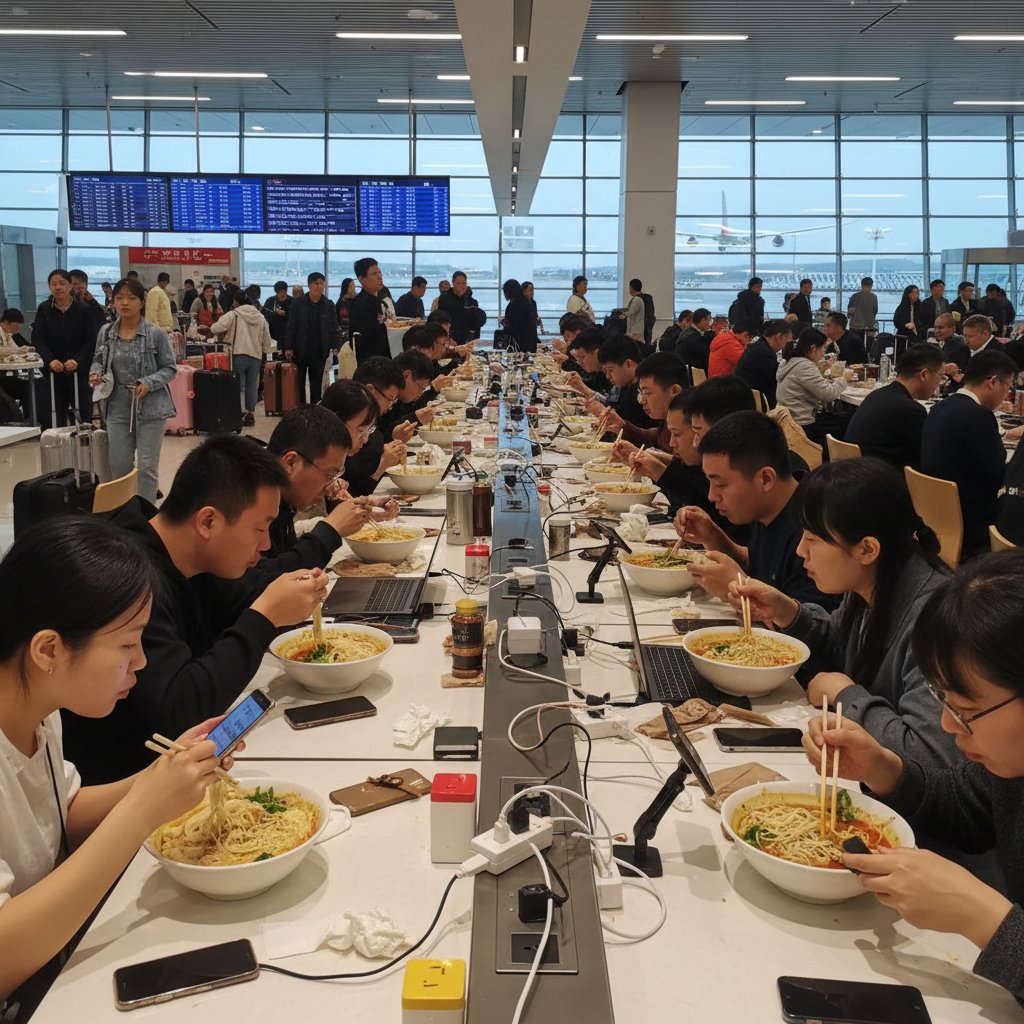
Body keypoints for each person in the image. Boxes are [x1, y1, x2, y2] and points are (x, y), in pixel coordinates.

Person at [0, 518, 236, 1017]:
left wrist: (162, 777)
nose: (143, 662)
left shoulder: (38, 708)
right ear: (49, 649)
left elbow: (57, 812)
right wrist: (141, 812)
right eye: (128, 644)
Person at [801, 551, 1024, 1009]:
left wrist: (984, 917)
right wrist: (883, 768)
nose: (946, 725)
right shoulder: (1010, 766)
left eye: (965, 709)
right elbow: (970, 804)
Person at [61, 436, 329, 784]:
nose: (265, 545)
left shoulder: (187, 554)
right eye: (260, 529)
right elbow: (177, 711)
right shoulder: (125, 575)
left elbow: (242, 598)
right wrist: (266, 615)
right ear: (207, 522)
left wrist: (290, 596)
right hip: (109, 787)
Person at [734, 457, 952, 766]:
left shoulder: (938, 624)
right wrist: (789, 613)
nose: (801, 551)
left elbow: (927, 752)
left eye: (811, 539)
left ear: (866, 549)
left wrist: (845, 696)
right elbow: (838, 641)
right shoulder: (872, 582)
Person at [674, 411, 834, 610]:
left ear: (766, 479)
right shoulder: (768, 507)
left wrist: (738, 587)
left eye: (720, 484)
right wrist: (713, 536)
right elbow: (758, 565)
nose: (711, 496)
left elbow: (807, 628)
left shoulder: (816, 528)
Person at [921, 349, 1018, 558]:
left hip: (937, 515)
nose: (1005, 395)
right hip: (970, 520)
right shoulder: (978, 416)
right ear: (993, 382)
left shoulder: (940, 407)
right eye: (1008, 387)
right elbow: (1000, 475)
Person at [88, 279, 176, 504]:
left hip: (151, 408)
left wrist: (149, 381)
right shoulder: (106, 332)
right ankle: (123, 511)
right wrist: (96, 373)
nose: (125, 303)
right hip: (116, 406)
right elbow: (98, 360)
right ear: (113, 301)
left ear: (142, 302)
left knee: (147, 466)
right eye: (119, 298)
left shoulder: (155, 334)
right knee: (119, 464)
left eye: (132, 298)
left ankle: (145, 514)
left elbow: (170, 368)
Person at [262, 405, 372, 562]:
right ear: (291, 463)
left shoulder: (283, 499)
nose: (329, 488)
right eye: (329, 475)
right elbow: (263, 579)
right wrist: (331, 529)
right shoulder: (248, 497)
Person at [845, 344, 944, 470]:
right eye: (941, 376)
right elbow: (927, 457)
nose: (940, 383)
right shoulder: (910, 410)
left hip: (853, 473)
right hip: (875, 481)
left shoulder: (877, 394)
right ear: (924, 374)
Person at [33, 270, 97, 428]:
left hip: (79, 372)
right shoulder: (44, 309)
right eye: (53, 284)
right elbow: (38, 339)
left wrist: (77, 360)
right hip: (53, 371)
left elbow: (92, 340)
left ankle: (84, 446)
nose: (58, 287)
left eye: (62, 283)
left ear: (70, 286)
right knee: (54, 415)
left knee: (83, 414)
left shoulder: (83, 309)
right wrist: (50, 360)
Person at [342, 358, 409, 497]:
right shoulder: (346, 421)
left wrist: (392, 440)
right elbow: (354, 490)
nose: (390, 406)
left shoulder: (370, 418)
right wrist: (382, 464)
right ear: (370, 390)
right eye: (390, 399)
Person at [776, 328, 855, 444]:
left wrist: (821, 372)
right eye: (823, 348)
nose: (824, 353)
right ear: (813, 348)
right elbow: (828, 394)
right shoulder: (805, 365)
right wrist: (844, 378)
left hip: (788, 422)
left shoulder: (789, 361)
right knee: (851, 421)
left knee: (845, 418)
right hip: (802, 425)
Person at [209, 289, 271, 428]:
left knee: (240, 385)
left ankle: (241, 413)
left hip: (238, 353)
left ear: (236, 301)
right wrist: (266, 351)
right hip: (256, 355)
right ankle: (251, 413)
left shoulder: (234, 314)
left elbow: (217, 327)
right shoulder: (260, 316)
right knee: (252, 386)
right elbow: (267, 337)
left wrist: (210, 327)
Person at [579, 336, 657, 429]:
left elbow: (637, 429)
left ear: (628, 364)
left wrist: (603, 410)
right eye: (605, 371)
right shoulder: (625, 385)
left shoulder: (645, 388)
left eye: (610, 370)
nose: (608, 376)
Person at [285, 271, 340, 404]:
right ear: (309, 285)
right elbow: (292, 326)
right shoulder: (298, 303)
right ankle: (301, 409)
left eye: (322, 283)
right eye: (316, 283)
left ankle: (315, 408)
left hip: (320, 350)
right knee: (299, 384)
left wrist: (335, 345)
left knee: (316, 384)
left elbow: (334, 327)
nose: (319, 286)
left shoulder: (328, 304)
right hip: (301, 349)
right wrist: (288, 346)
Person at [379, 349, 440, 437]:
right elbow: (380, 436)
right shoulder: (383, 394)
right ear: (407, 375)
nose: (420, 394)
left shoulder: (401, 397)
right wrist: (415, 419)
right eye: (420, 387)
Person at [735, 319, 791, 408]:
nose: (786, 345)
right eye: (787, 340)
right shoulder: (765, 353)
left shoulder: (759, 347)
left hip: (742, 396)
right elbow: (775, 381)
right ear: (778, 336)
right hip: (751, 402)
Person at [347, 258, 389, 364]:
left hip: (382, 359)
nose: (380, 277)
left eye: (380, 272)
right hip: (372, 363)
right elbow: (362, 339)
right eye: (374, 274)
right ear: (362, 279)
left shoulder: (378, 301)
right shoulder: (360, 304)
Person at [438, 271, 485, 345]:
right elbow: (441, 320)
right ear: (453, 284)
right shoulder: (445, 298)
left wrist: (474, 339)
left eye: (464, 283)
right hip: (450, 339)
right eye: (458, 283)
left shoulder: (470, 300)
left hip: (466, 338)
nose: (462, 286)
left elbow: (474, 322)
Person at [0, 308, 29, 419]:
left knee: (27, 387)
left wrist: (27, 351)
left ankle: (30, 420)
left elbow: (17, 350)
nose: (18, 327)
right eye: (16, 323)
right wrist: (18, 351)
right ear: (6, 322)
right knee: (11, 407)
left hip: (3, 376)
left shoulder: (7, 335)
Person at [502, 279, 539, 353]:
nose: (504, 294)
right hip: (530, 343)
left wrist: (503, 322)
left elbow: (512, 328)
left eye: (505, 291)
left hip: (520, 345)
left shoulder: (514, 305)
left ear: (510, 291)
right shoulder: (527, 301)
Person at [674, 307, 713, 374]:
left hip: (683, 369)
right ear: (702, 320)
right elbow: (706, 357)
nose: (710, 324)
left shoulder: (688, 331)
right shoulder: (695, 338)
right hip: (693, 373)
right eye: (709, 320)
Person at [68, 269, 107, 334]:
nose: (76, 290)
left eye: (80, 286)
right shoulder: (62, 304)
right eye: (73, 284)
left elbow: (99, 327)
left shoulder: (94, 305)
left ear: (86, 286)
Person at [262, 280, 292, 350]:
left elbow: (296, 316)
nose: (282, 294)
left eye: (284, 292)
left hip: (287, 333)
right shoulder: (270, 300)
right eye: (279, 292)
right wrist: (275, 312)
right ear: (276, 292)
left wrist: (285, 314)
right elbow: (264, 313)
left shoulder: (292, 301)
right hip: (273, 332)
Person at [846, 276, 878, 340]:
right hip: (869, 328)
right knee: (868, 348)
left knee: (856, 347)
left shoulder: (854, 296)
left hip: (855, 328)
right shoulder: (874, 297)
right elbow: (875, 311)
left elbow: (850, 312)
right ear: (871, 286)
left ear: (861, 285)